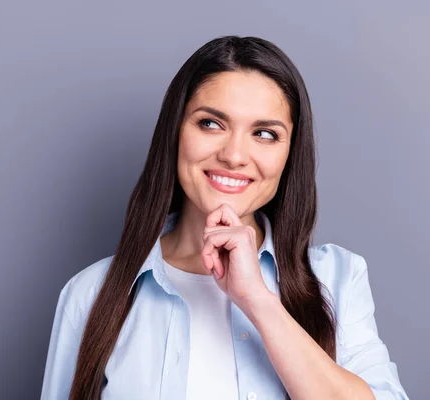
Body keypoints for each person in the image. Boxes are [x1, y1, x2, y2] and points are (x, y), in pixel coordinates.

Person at [40, 35, 409, 400]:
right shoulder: (90, 294)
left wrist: (258, 300)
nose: (234, 155)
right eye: (211, 124)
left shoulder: (337, 278)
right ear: (176, 132)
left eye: (265, 134)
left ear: (289, 154)